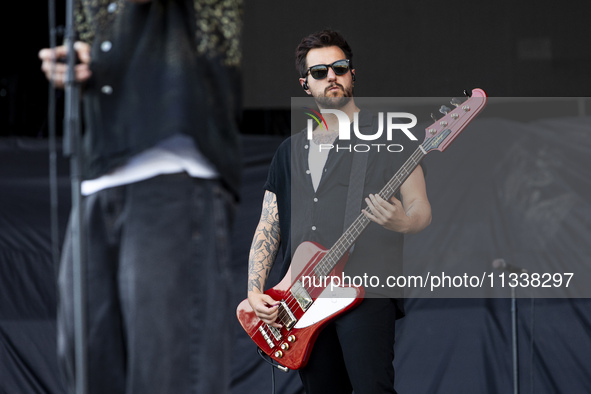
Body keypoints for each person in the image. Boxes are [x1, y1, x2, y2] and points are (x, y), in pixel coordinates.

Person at [38, 0, 243, 393]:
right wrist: (80, 58)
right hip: (99, 177)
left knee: (167, 376)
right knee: (88, 373)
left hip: (173, 170)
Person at [246, 30, 432, 393]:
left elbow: (420, 206)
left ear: (351, 74)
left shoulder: (390, 136)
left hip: (365, 288)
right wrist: (255, 291)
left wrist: (405, 221)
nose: (331, 76)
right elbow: (269, 225)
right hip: (300, 297)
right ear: (306, 84)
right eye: (319, 72)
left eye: (339, 67)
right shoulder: (289, 151)